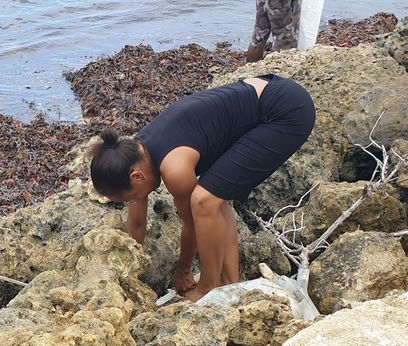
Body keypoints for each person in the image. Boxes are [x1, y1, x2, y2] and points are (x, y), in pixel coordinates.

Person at [88, 75, 315, 301]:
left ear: (136, 177)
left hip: (285, 112)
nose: (134, 201)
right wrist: (128, 274)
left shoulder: (174, 168)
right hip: (270, 92)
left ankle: (208, 286)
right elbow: (137, 224)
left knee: (203, 201)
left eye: (130, 198)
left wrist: (183, 270)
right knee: (213, 195)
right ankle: (230, 284)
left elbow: (194, 224)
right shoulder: (134, 154)